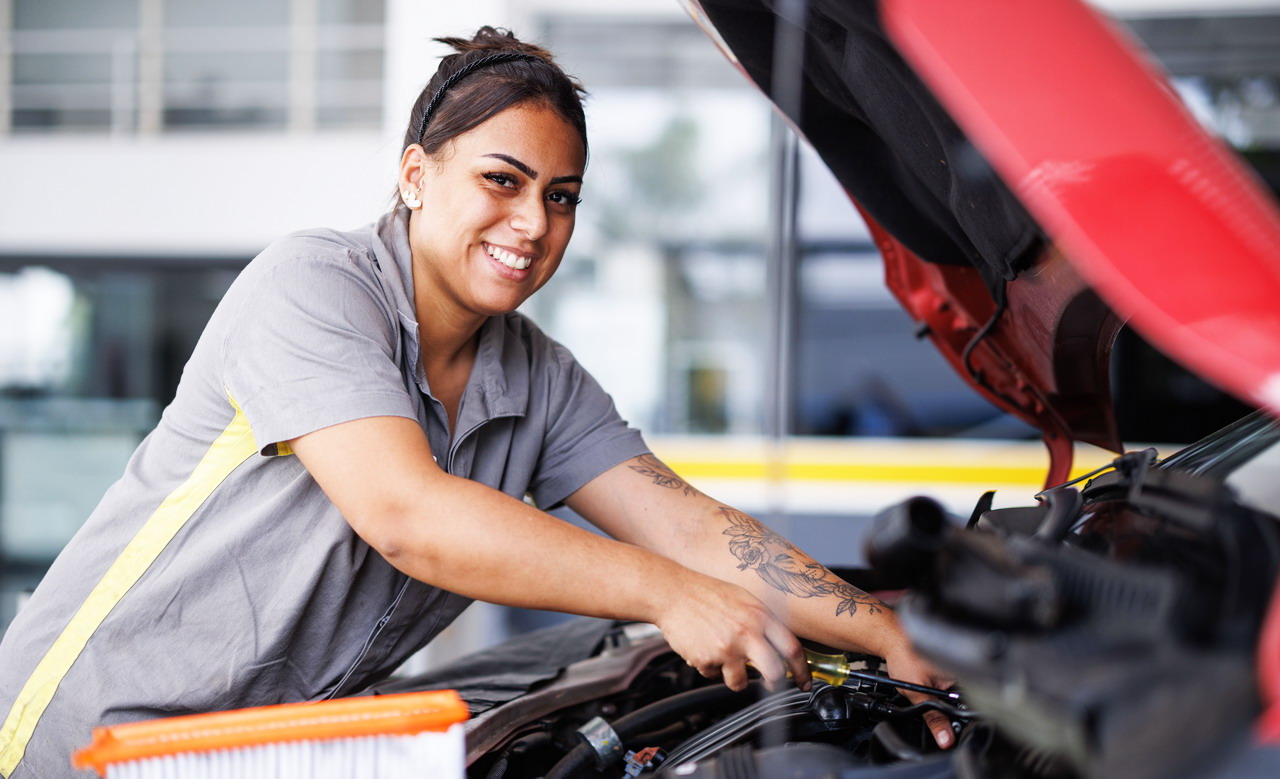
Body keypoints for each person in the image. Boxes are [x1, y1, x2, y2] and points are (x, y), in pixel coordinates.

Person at [0, 27, 952, 777]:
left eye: (564, 196)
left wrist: (890, 634)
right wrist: (665, 594)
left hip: (254, 752)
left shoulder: (536, 376)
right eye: (503, 181)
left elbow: (692, 529)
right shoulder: (313, 286)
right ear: (416, 175)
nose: (534, 224)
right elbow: (408, 516)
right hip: (83, 739)